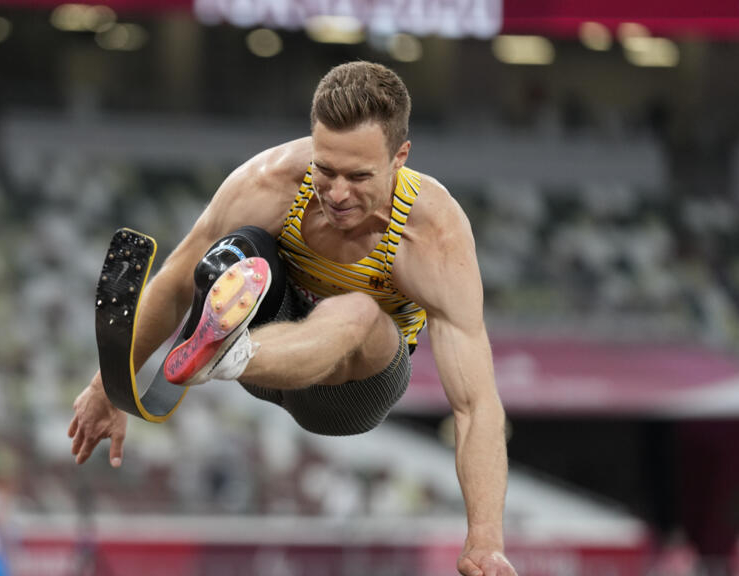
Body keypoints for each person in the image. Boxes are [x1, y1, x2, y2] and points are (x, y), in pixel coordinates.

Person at [68, 61, 516, 576]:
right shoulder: (271, 180)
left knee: (358, 310)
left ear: (400, 157)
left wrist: (484, 540)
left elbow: (477, 405)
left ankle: (223, 353)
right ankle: (223, 351)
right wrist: (108, 387)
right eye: (326, 170)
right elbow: (174, 280)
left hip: (349, 393)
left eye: (359, 176)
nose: (338, 193)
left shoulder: (433, 237)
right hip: (270, 354)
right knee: (234, 252)